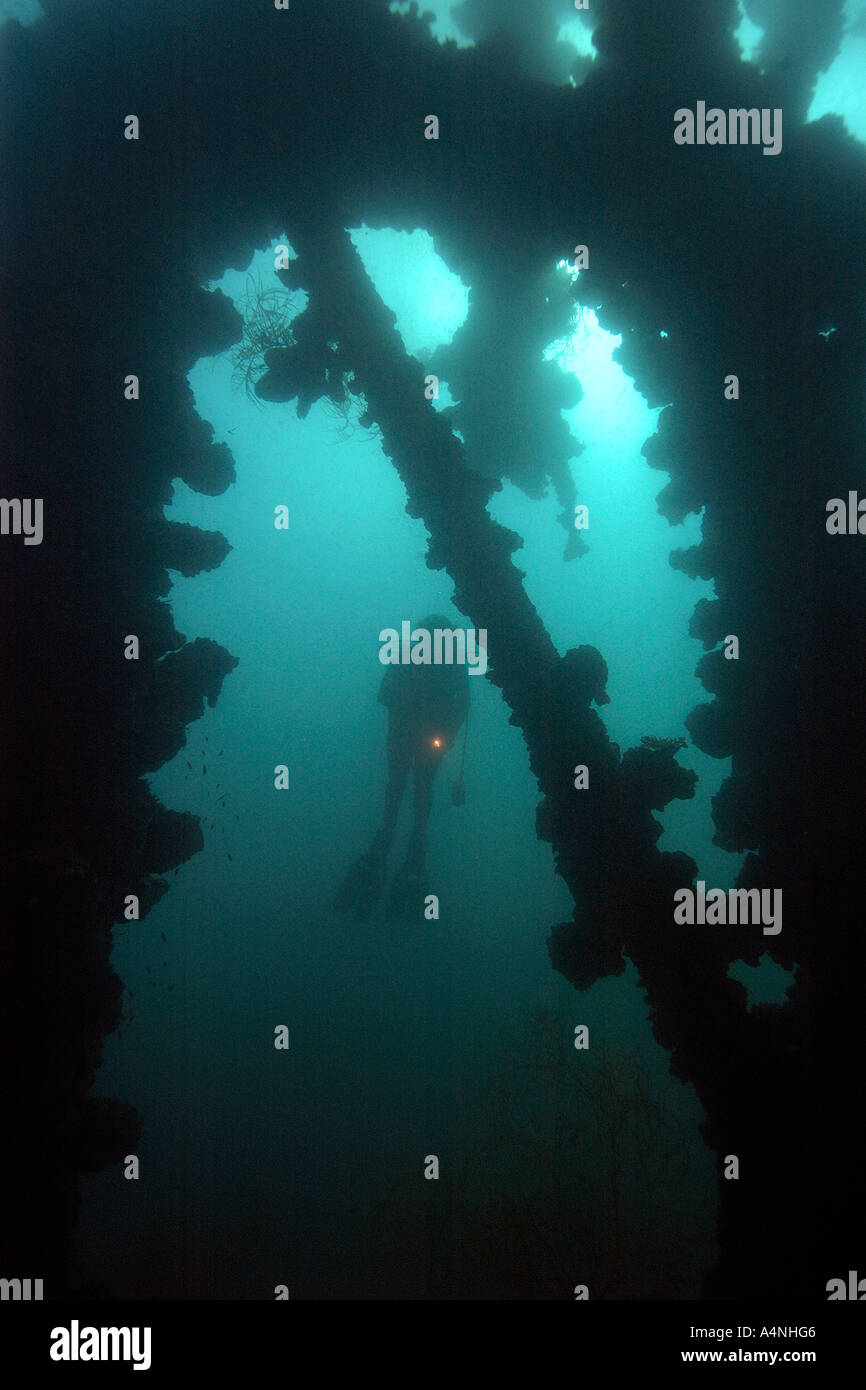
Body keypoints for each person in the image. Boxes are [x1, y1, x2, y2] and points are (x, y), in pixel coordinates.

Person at [335, 614, 470, 921]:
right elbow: (463, 705)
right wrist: (446, 735)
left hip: (407, 734)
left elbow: (387, 694)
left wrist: (414, 722)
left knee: (400, 787)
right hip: (424, 736)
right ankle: (413, 845)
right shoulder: (450, 663)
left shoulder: (414, 655)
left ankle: (390, 837)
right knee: (420, 789)